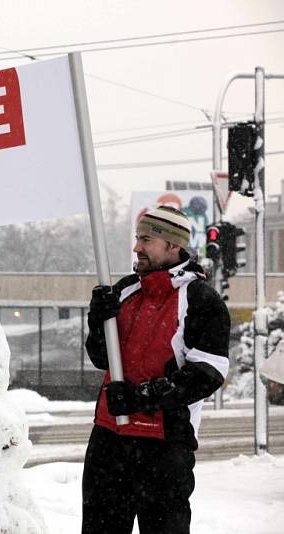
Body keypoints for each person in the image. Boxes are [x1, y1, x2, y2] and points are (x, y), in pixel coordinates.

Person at [82, 206, 230, 534]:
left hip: (164, 447)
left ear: (172, 246)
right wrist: (96, 321)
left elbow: (208, 373)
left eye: (146, 239)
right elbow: (100, 358)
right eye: (137, 238)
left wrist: (142, 397)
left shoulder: (202, 300)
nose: (137, 247)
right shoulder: (124, 290)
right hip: (109, 440)